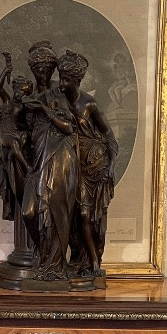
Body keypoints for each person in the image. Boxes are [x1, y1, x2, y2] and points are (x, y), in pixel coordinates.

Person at [20, 41, 80, 280]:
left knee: (55, 209)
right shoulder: (26, 93)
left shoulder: (57, 92)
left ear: (53, 69)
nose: (42, 72)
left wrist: (44, 110)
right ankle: (43, 254)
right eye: (37, 68)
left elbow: (68, 127)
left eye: (46, 68)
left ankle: (54, 263)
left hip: (59, 155)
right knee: (29, 212)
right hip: (36, 157)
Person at [57, 49, 118, 275]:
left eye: (66, 80)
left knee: (90, 218)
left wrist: (110, 168)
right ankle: (77, 260)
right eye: (60, 78)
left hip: (94, 167)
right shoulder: (57, 101)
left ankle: (92, 263)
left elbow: (109, 136)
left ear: (77, 80)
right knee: (74, 216)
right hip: (72, 168)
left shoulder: (89, 104)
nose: (61, 84)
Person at [0, 52, 33, 227]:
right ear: (14, 89)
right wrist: (6, 69)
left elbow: (29, 126)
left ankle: (27, 168)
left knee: (18, 141)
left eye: (24, 93)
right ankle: (27, 167)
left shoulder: (25, 107)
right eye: (18, 91)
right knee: (14, 145)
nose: (20, 95)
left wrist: (26, 134)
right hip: (7, 138)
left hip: (16, 136)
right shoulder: (8, 102)